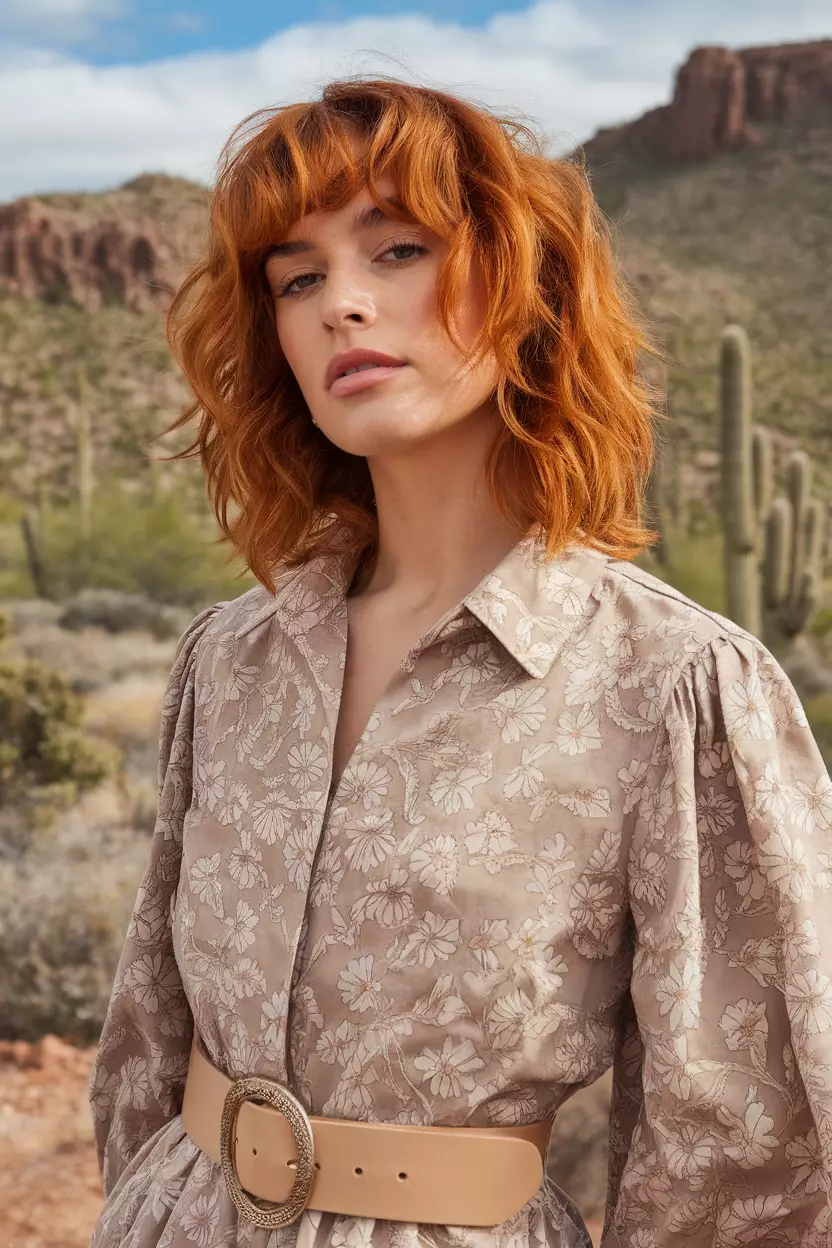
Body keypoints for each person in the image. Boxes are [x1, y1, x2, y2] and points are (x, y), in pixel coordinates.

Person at [87, 77, 832, 1248]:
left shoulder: (674, 685)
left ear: (525, 284)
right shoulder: (226, 660)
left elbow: (741, 1148)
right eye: (297, 277)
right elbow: (146, 1033)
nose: (343, 304)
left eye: (397, 249)